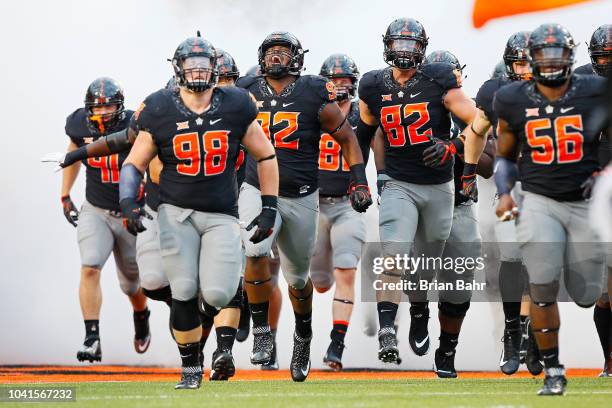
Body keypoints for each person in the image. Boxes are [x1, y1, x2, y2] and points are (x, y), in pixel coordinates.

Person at [118, 33, 279, 389]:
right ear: (178, 70)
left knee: (219, 294)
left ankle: (208, 322)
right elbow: (133, 163)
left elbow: (265, 154)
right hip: (174, 212)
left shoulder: (236, 104)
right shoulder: (159, 107)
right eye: (190, 66)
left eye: (204, 65)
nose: (197, 72)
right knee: (183, 288)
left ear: (214, 68)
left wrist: (269, 206)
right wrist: (128, 201)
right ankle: (190, 367)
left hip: (221, 213)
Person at [236, 31, 371, 382]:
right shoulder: (245, 88)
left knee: (298, 278)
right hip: (257, 187)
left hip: (301, 194)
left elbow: (347, 138)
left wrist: (358, 178)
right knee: (255, 251)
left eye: (283, 52)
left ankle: (303, 335)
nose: (276, 58)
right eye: (271, 52)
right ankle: (262, 328)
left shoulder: (313, 91)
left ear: (297, 58)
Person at [494, 23, 607, 395]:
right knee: (541, 286)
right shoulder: (512, 98)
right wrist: (505, 192)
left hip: (584, 202)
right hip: (540, 200)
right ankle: (553, 370)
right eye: (544, 55)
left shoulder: (594, 90)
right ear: (532, 59)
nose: (551, 62)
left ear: (570, 57)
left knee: (589, 293)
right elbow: (506, 157)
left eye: (557, 55)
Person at [359, 17, 476, 367]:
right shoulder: (371, 85)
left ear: (423, 49)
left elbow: (479, 122)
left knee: (426, 264)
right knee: (394, 254)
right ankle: (386, 330)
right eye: (399, 44)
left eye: (412, 45)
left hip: (440, 187)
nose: (405, 52)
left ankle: (421, 309)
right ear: (387, 45)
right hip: (399, 184)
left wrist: (453, 147)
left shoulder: (438, 79)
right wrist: (358, 179)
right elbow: (363, 136)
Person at [59, 77, 150, 363]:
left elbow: (149, 162)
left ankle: (141, 314)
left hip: (130, 213)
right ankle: (92, 337)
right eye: (97, 108)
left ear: (120, 107)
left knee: (134, 285)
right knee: (89, 266)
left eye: (109, 107)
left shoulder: (134, 124)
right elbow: (71, 155)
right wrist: (65, 194)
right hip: (96, 209)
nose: (102, 113)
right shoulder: (77, 124)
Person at [313, 53, 371, 371]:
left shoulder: (364, 114)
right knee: (320, 282)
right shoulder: (312, 110)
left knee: (346, 270)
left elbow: (385, 147)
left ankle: (337, 345)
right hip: (314, 205)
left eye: (345, 81)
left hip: (349, 205)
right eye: (333, 81)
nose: (339, 86)